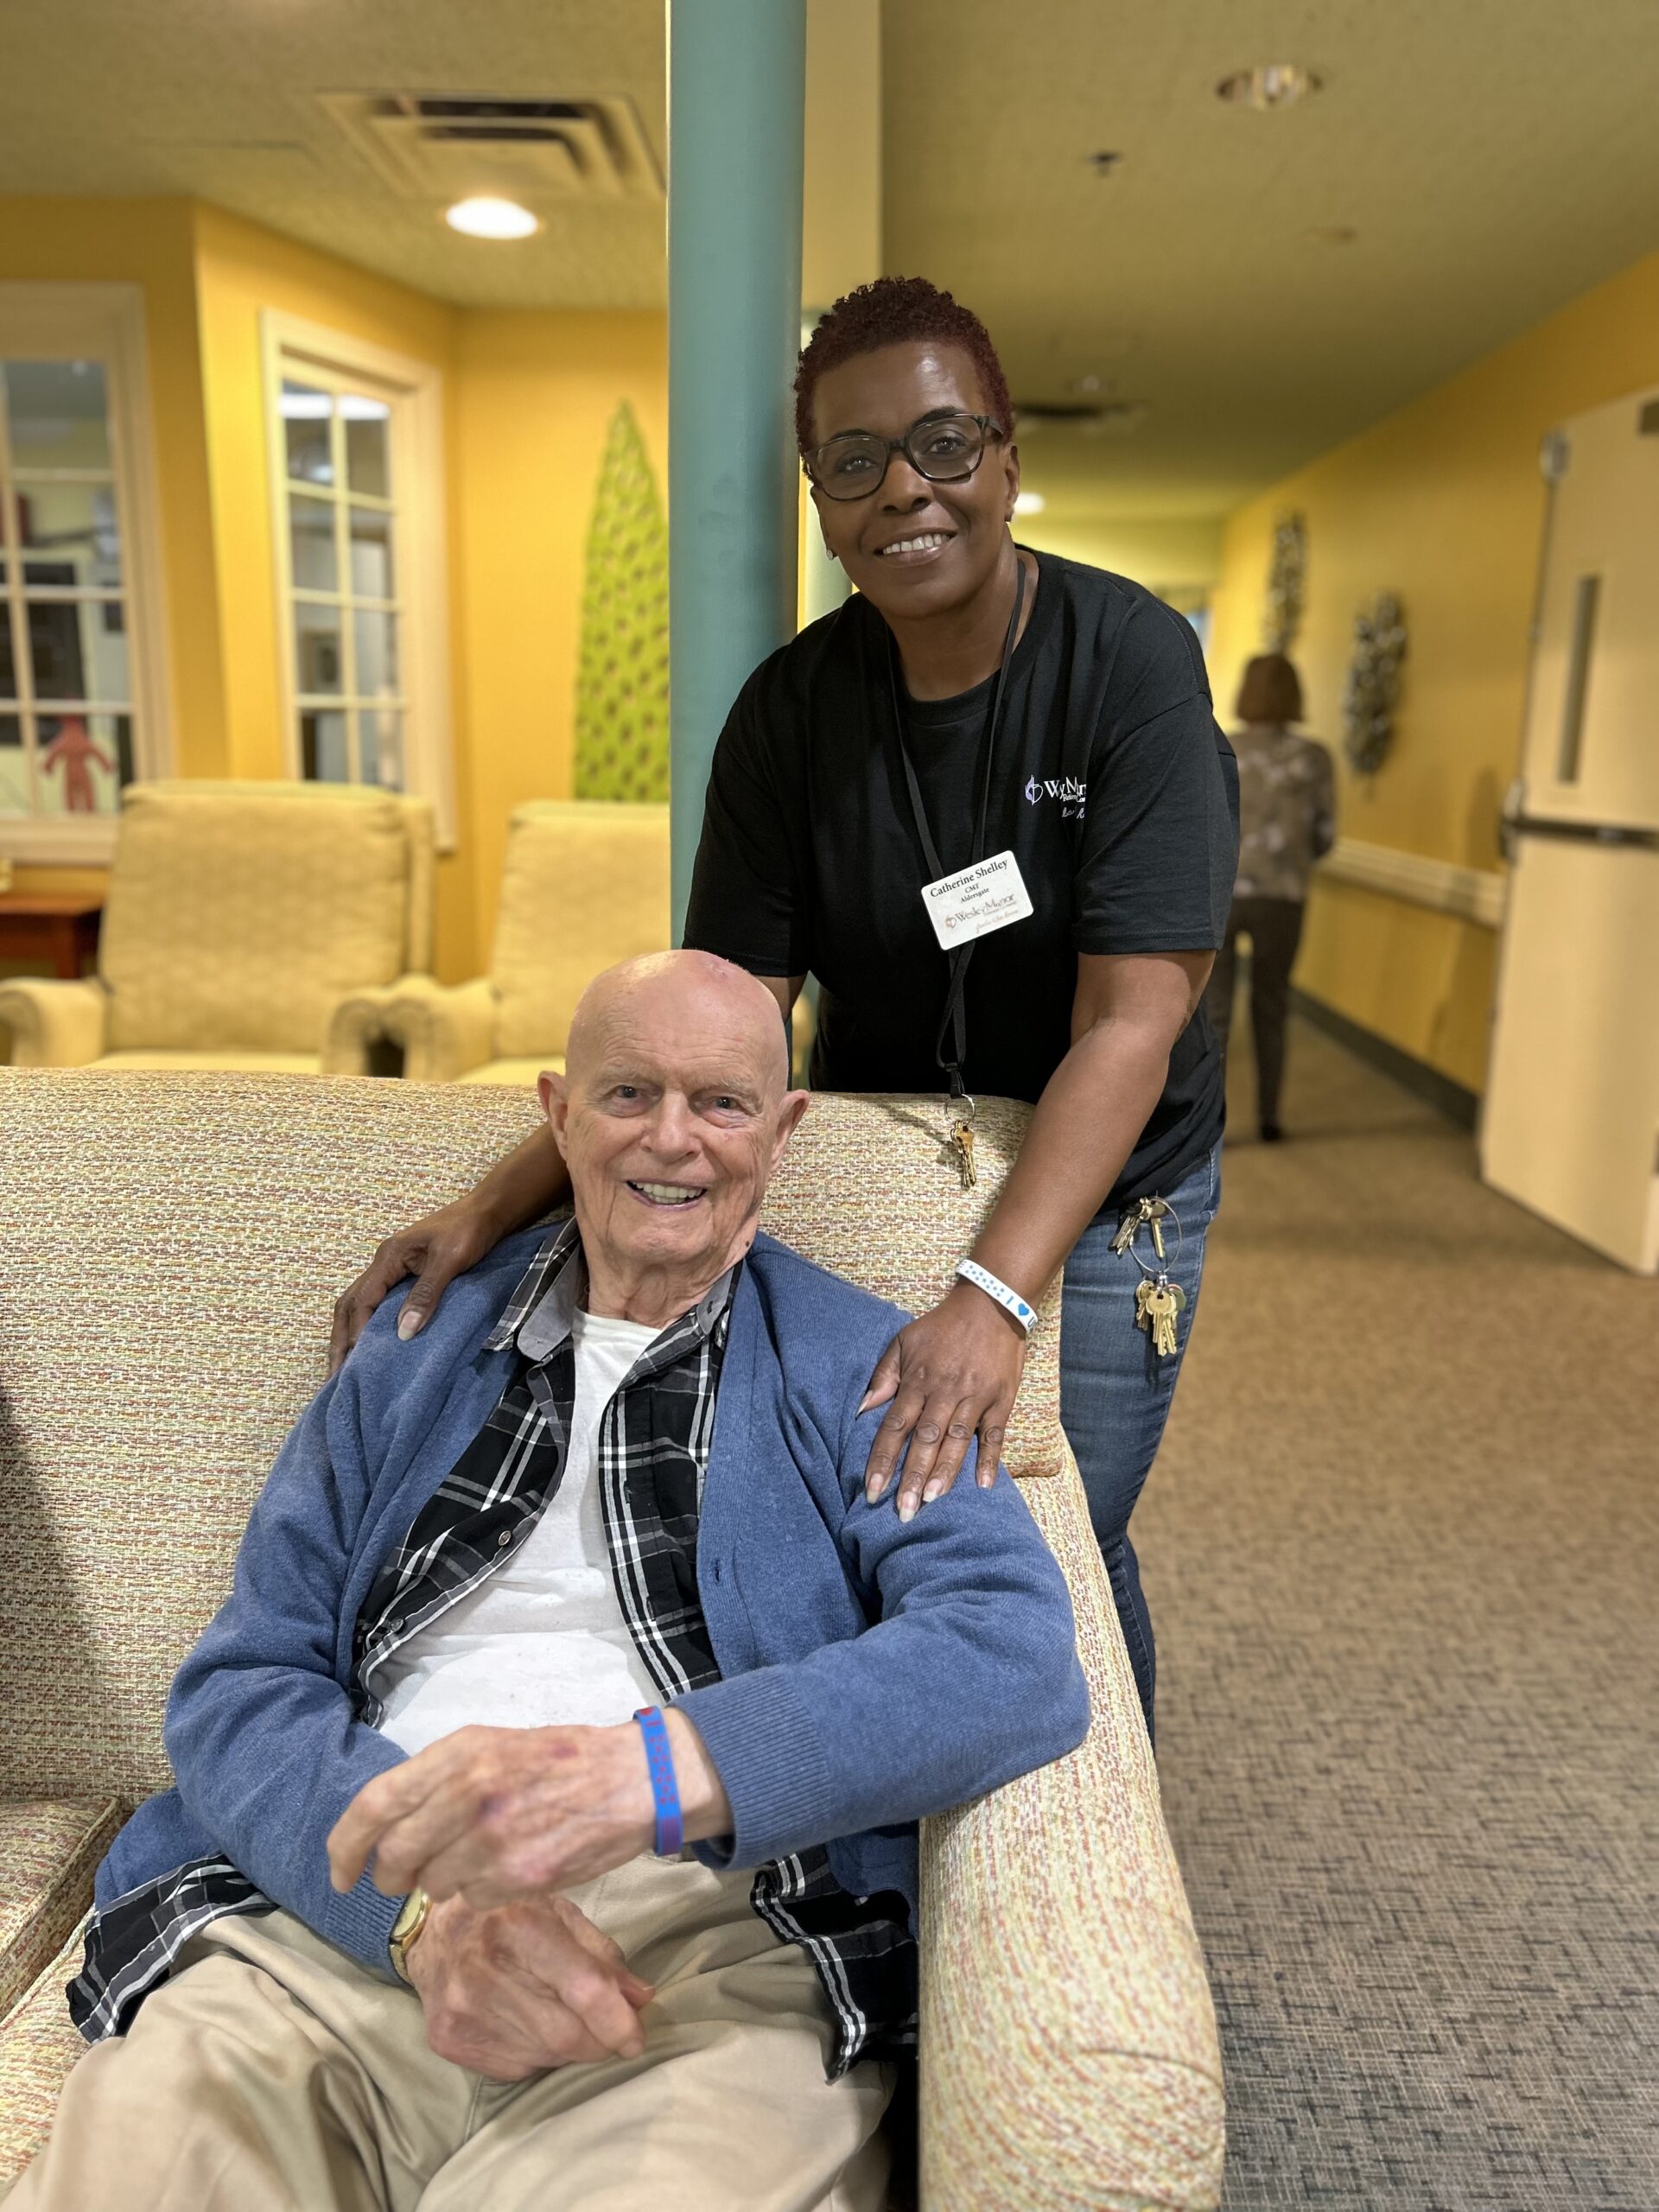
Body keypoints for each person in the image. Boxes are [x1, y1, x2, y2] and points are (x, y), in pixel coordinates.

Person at [18, 953, 1086, 2212]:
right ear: (556, 1113)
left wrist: (650, 1769)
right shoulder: (411, 1351)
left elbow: (1011, 1652)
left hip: (708, 1944)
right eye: (629, 1093)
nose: (674, 1140)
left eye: (724, 1103)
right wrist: (423, 1918)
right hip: (343, 1916)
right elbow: (243, 1684)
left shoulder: (870, 1366)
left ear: (784, 1130)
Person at [331, 276, 1237, 1738]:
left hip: (1115, 1163)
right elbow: (716, 1025)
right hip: (884, 1134)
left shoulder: (1128, 665)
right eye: (854, 458)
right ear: (818, 494)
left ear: (1006, 460)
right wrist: (498, 1201)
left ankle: (1099, 1815)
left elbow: (1132, 1021)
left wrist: (994, 1297)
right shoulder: (790, 712)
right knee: (884, 1501)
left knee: (1068, 1519)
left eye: (944, 444)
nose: (906, 490)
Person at [1203, 653, 1336, 1142]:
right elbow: (1325, 836)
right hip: (1284, 898)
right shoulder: (1313, 758)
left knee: (1214, 1012)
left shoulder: (1221, 748)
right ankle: (1269, 1118)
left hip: (1222, 897)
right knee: (1272, 1005)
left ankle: (1209, 1124)